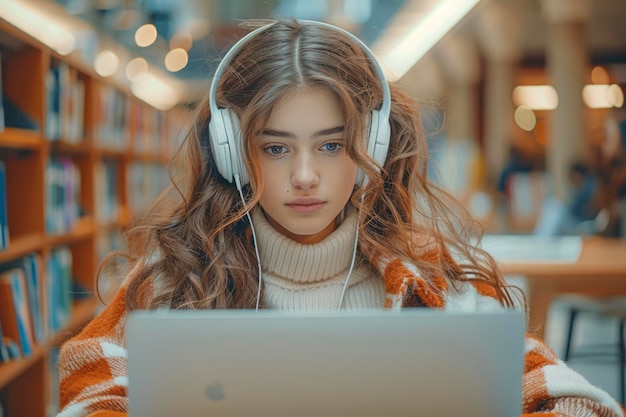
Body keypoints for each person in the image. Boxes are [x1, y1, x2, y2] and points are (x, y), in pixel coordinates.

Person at [56, 19, 624, 417]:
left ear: (371, 150)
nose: (305, 176)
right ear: (234, 155)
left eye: (331, 147)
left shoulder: (430, 280)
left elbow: (578, 402)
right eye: (276, 148)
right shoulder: (171, 282)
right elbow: (90, 395)